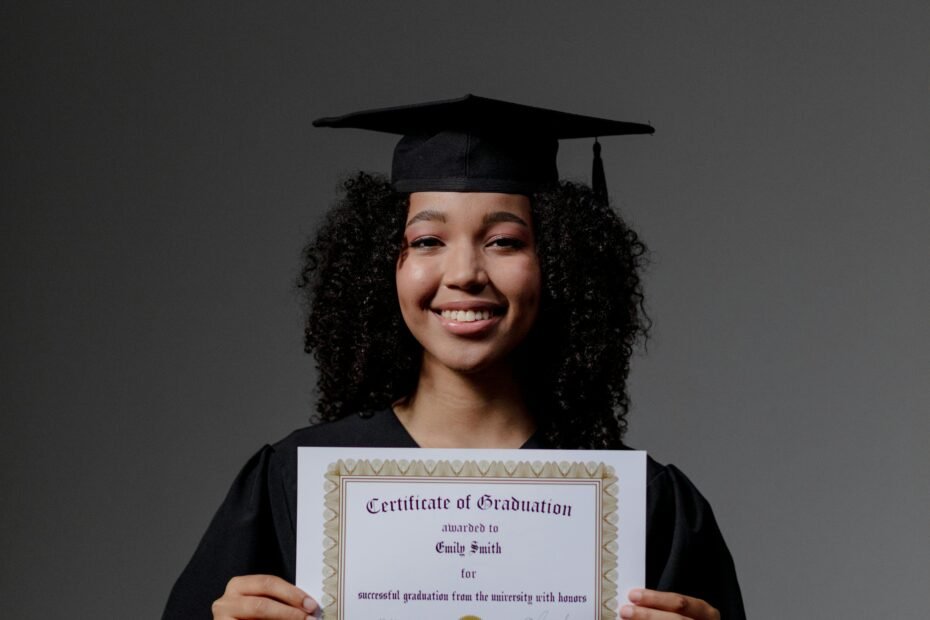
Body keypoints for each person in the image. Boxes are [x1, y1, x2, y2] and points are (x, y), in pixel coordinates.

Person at [164, 95, 746, 620]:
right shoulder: (294, 482)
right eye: (426, 241)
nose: (465, 273)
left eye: (504, 241)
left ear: (560, 263)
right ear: (382, 266)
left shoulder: (644, 506)